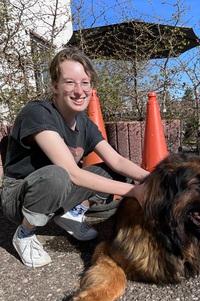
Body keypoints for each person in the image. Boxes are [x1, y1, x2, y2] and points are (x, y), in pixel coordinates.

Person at [1, 47, 149, 268]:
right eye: (70, 82)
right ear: (55, 87)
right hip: (19, 195)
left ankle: (72, 213)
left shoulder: (85, 124)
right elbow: (72, 173)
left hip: (61, 188)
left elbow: (117, 161)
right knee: (58, 175)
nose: (79, 91)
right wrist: (135, 191)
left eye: (85, 83)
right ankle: (25, 233)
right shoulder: (38, 113)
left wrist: (155, 179)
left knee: (116, 173)